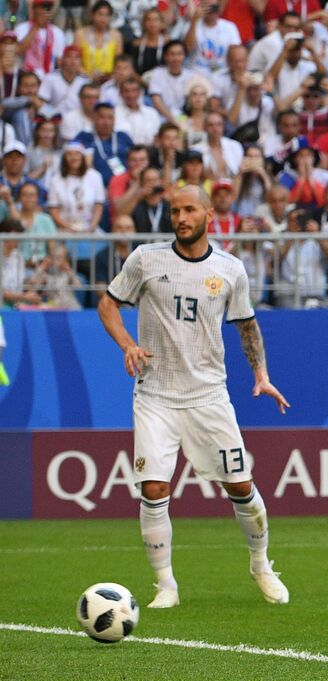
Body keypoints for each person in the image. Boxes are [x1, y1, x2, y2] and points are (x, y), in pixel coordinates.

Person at [95, 185, 290, 609]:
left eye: (188, 209)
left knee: (240, 486)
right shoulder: (146, 259)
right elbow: (107, 304)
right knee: (153, 486)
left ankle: (261, 565)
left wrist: (261, 373)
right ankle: (165, 585)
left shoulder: (230, 269)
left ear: (207, 215)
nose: (180, 217)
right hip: (156, 394)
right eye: (174, 210)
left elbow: (246, 326)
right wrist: (128, 344)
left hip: (208, 396)